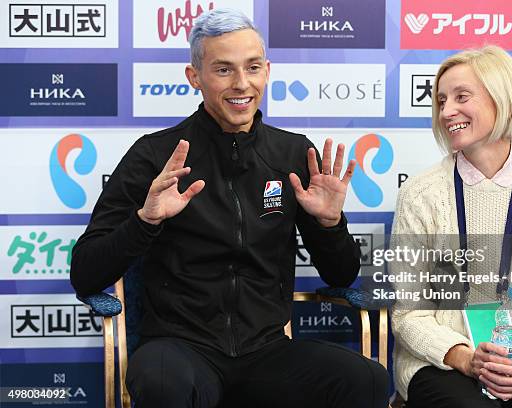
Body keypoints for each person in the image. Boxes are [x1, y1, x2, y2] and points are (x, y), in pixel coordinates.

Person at [70, 8, 389, 408]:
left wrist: (329, 223)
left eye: (252, 67)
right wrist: (145, 221)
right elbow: (85, 272)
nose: (242, 84)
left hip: (267, 352)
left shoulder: (293, 153)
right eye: (223, 70)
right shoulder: (154, 155)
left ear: (267, 71)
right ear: (195, 77)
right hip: (180, 349)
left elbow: (341, 274)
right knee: (164, 381)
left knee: (368, 380)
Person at [390, 46, 512, 407]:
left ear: (502, 97)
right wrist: (464, 357)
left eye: (462, 97)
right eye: (441, 100)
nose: (447, 111)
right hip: (443, 361)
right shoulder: (420, 194)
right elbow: (407, 313)